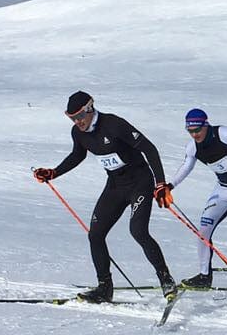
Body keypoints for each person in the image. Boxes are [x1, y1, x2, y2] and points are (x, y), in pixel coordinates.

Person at [34, 91, 176, 302]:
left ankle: (166, 279)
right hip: (116, 185)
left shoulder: (114, 124)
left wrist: (160, 183)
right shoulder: (78, 133)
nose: (77, 122)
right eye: (72, 118)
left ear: (90, 109)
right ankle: (104, 288)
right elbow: (77, 155)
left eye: (80, 116)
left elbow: (149, 149)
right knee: (95, 235)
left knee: (138, 231)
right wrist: (54, 172)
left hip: (139, 182)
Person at [154, 108, 227, 289]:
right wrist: (169, 186)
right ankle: (204, 277)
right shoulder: (192, 147)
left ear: (206, 125)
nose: (195, 134)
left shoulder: (225, 134)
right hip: (223, 189)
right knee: (203, 230)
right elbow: (186, 167)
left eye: (197, 130)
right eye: (190, 131)